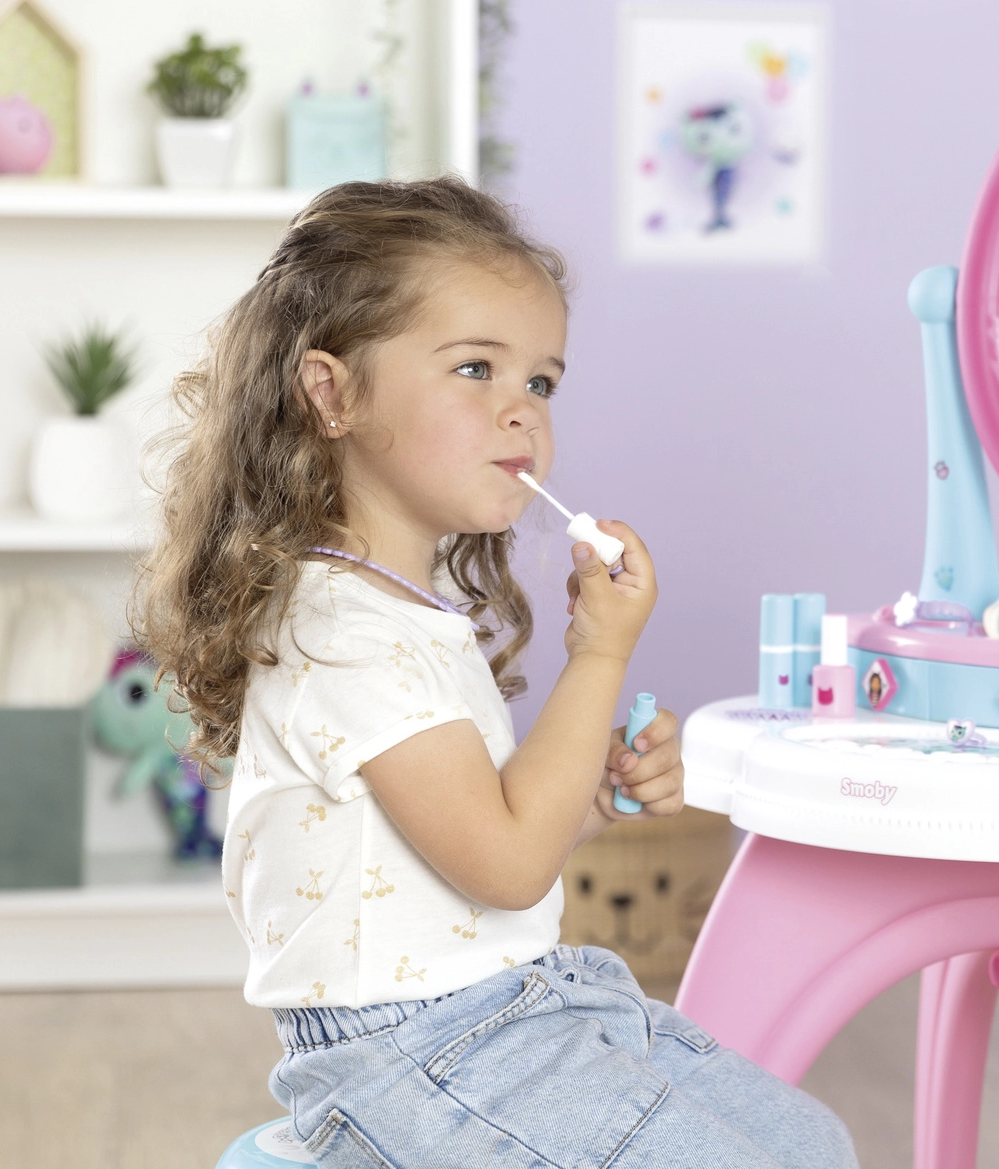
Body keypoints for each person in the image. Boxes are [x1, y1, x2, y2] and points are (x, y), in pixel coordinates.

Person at [133, 178, 856, 1168]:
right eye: (476, 368)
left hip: (510, 1008)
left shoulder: (401, 609)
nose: (521, 413)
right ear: (333, 393)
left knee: (810, 1144)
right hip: (406, 1055)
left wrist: (590, 795)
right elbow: (511, 867)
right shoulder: (341, 631)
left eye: (542, 383)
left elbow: (474, 843)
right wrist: (600, 652)